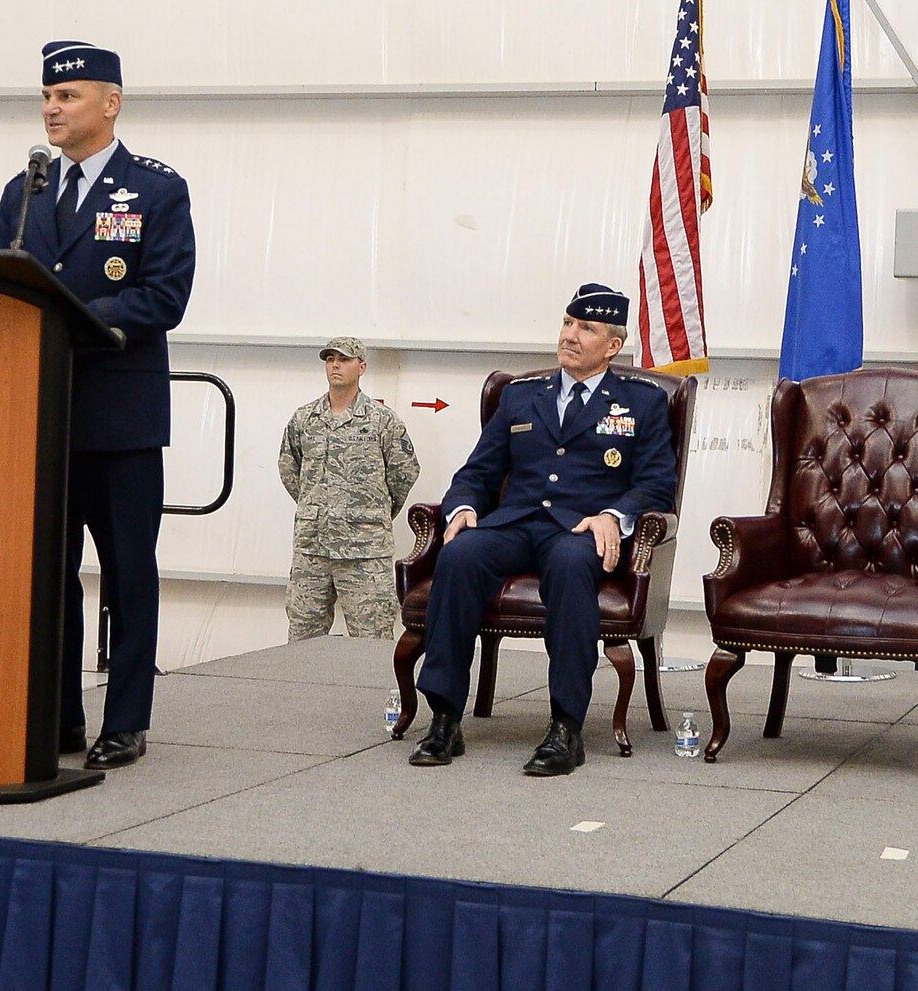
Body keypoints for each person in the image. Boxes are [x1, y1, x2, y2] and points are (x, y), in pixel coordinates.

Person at [0, 40, 195, 770]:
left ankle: (127, 720)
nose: (52, 107)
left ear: (110, 103)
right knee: (49, 574)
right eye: (47, 96)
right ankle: (60, 715)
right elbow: (0, 289)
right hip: (41, 416)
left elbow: (165, 295)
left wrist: (75, 314)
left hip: (120, 416)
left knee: (127, 572)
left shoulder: (156, 190)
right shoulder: (26, 193)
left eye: (68, 95)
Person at [409, 283, 676, 776]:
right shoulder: (521, 396)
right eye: (568, 324)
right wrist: (464, 505)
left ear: (612, 346)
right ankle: (444, 717)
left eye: (586, 329)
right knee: (460, 555)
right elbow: (478, 471)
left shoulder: (642, 402)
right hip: (517, 521)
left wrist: (614, 516)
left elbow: (657, 483)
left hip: (580, 530)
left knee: (573, 565)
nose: (570, 336)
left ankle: (565, 728)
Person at [279, 337, 420, 640]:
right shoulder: (304, 419)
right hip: (312, 550)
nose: (335, 365)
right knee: (302, 641)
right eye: (330, 359)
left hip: (364, 551)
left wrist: (370, 512)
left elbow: (404, 472)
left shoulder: (382, 421)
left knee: (371, 642)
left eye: (343, 359)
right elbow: (290, 469)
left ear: (362, 367)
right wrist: (317, 507)